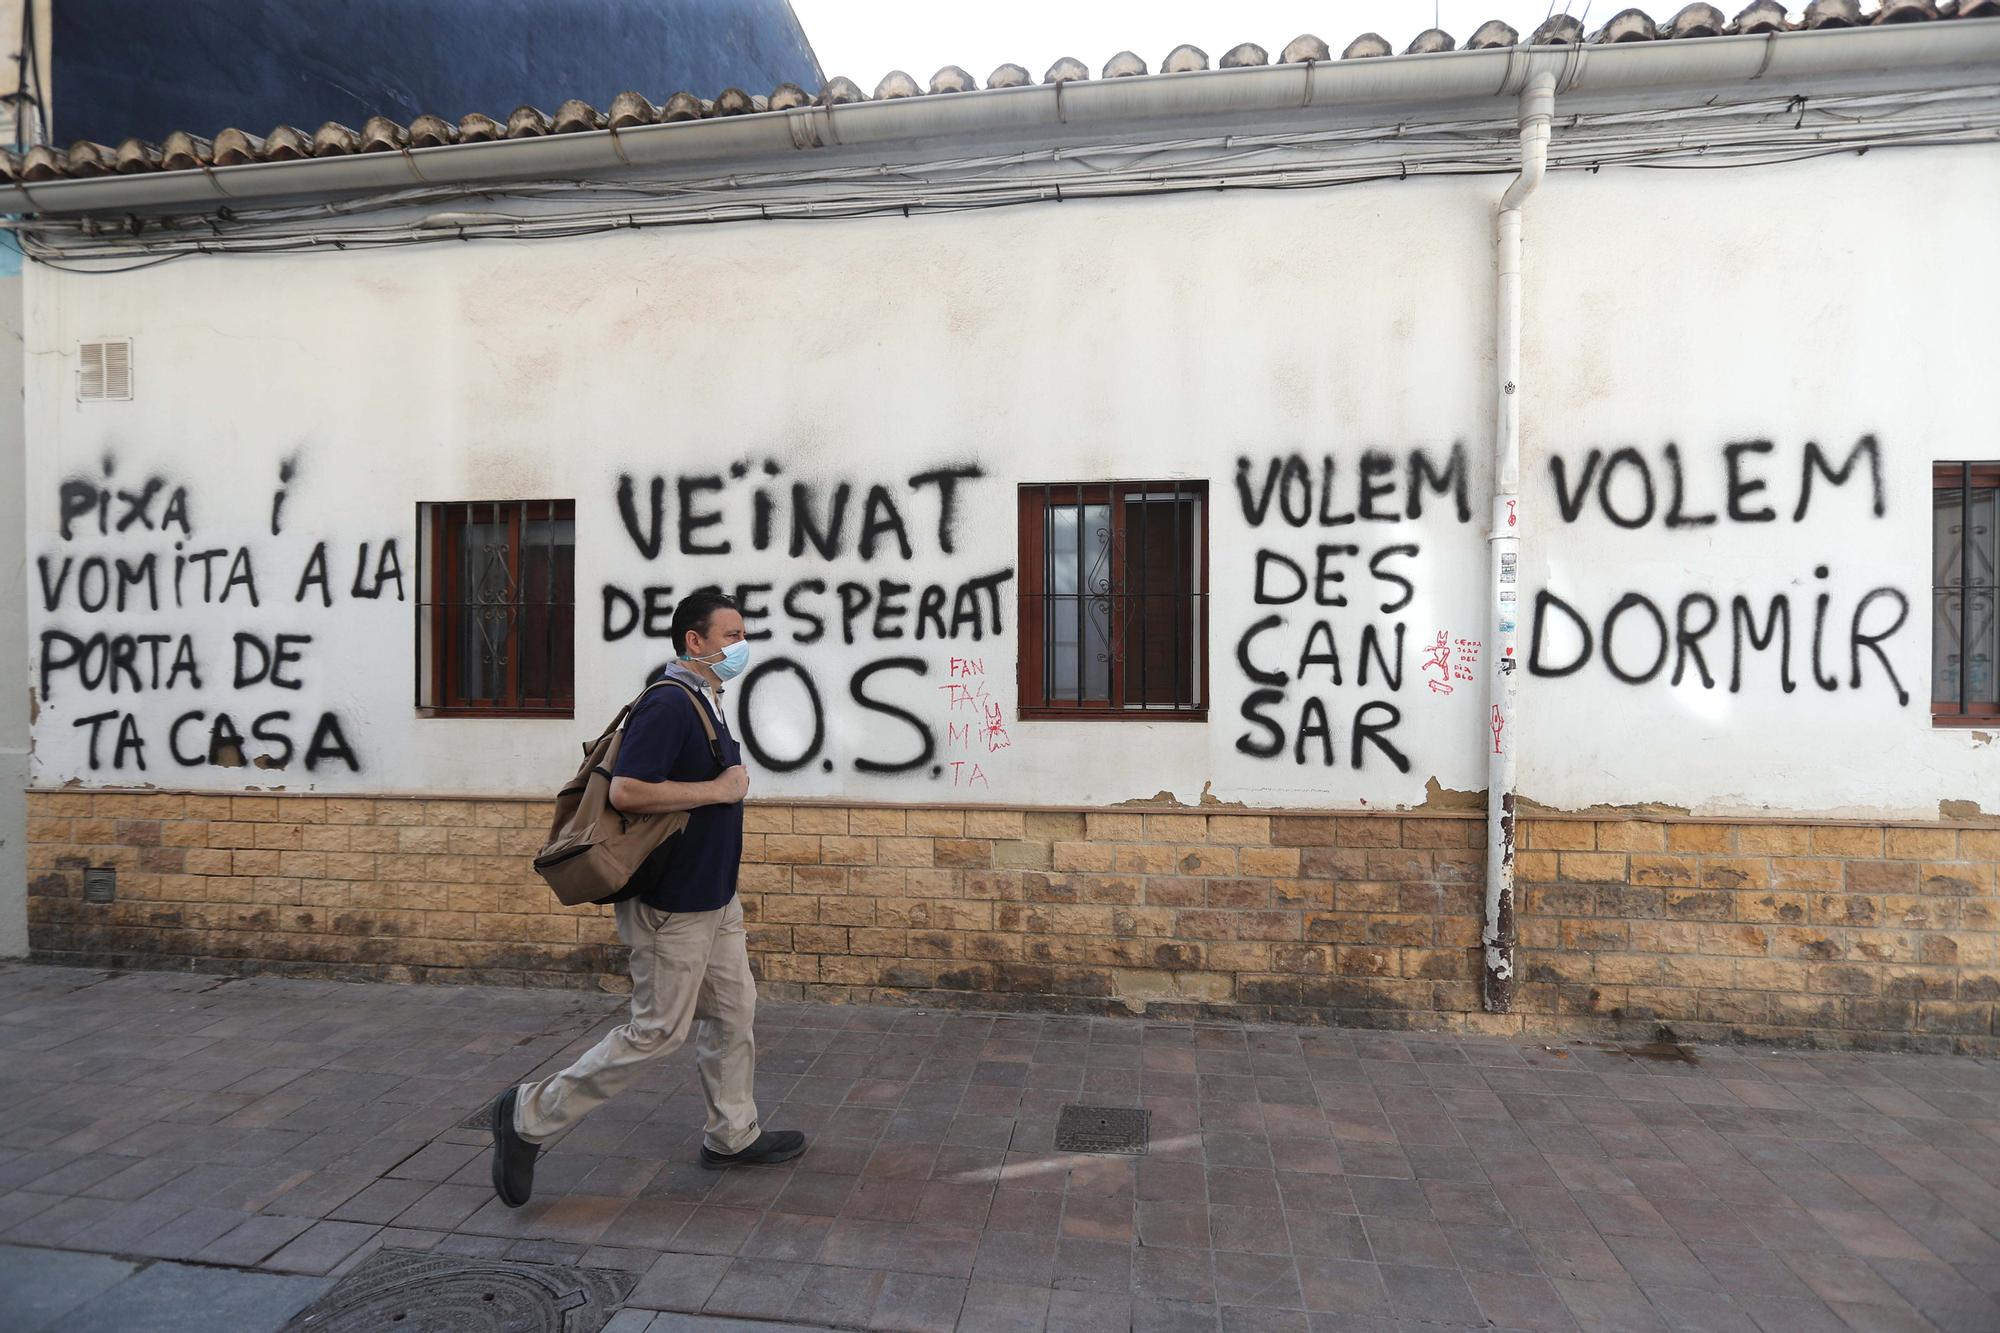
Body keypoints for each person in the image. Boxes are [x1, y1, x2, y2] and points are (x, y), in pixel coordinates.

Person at [490, 590, 805, 1207]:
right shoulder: (668, 705)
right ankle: (528, 1115)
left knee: (734, 1012)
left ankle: (732, 1134)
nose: (742, 645)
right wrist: (718, 790)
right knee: (657, 1030)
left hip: (713, 898)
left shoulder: (704, 700)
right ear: (696, 641)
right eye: (732, 634)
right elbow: (629, 792)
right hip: (671, 905)